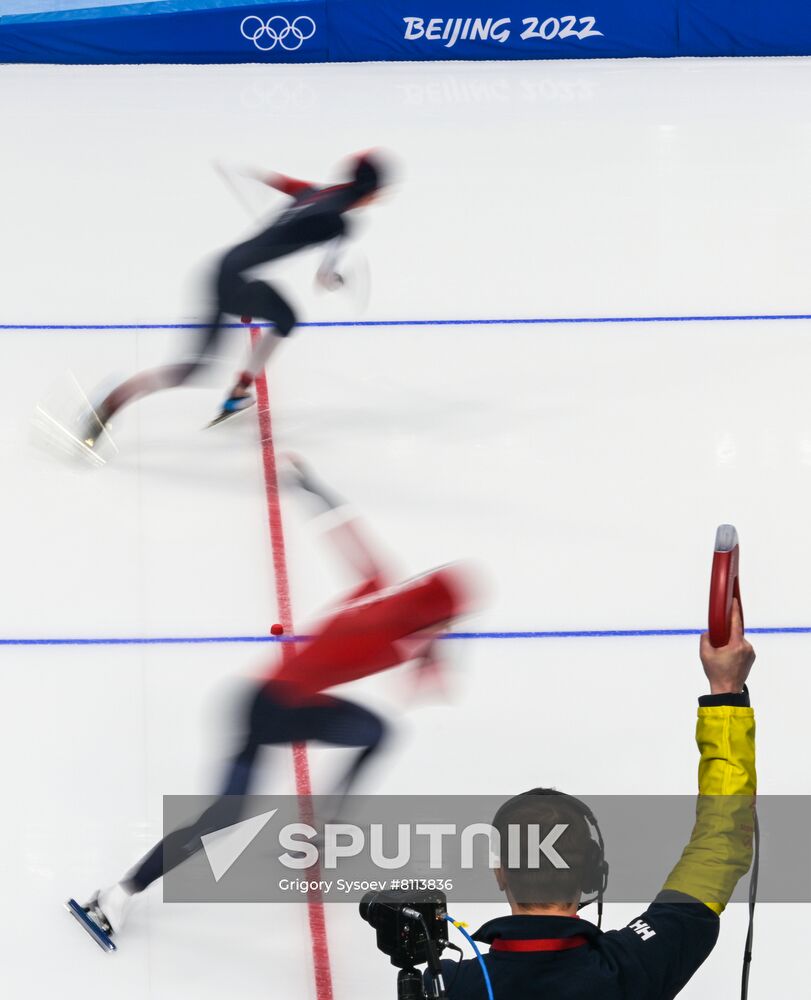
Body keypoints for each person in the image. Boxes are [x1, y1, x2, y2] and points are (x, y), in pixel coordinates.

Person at [67, 459, 480, 950]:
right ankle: (119, 892)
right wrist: (433, 657)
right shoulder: (386, 639)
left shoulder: (383, 591)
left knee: (374, 733)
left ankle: (324, 827)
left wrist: (314, 486)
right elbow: (420, 661)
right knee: (225, 816)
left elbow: (345, 530)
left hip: (274, 699)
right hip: (270, 710)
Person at [439, 598, 756, 999]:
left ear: (501, 874)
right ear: (594, 875)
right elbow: (721, 843)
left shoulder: (448, 985)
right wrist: (725, 692)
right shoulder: (637, 964)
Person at [82, 151, 386, 443]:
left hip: (222, 268)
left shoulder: (314, 192)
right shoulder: (340, 223)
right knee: (194, 369)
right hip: (235, 282)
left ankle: (237, 394)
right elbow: (323, 281)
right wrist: (341, 279)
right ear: (372, 193)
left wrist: (243, 171)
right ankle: (116, 398)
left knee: (283, 319)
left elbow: (279, 182)